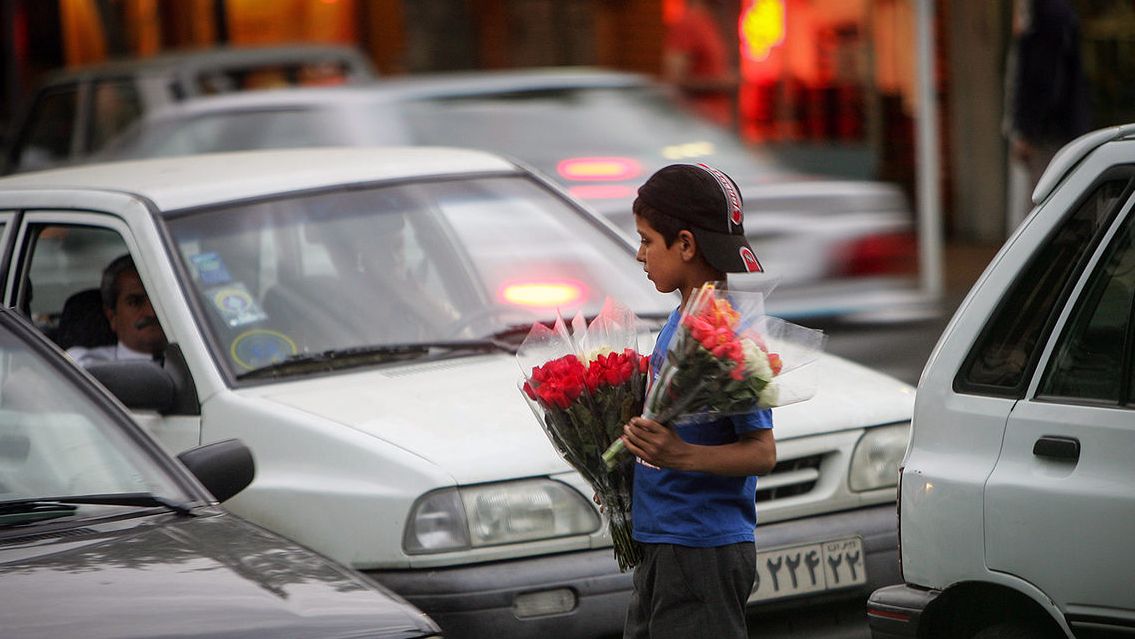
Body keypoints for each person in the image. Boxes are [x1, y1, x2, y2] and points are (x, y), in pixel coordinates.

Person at [617, 163, 775, 639]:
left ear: (685, 244)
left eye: (647, 240)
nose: (640, 254)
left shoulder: (727, 335)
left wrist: (680, 454)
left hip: (700, 547)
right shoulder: (682, 320)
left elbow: (761, 451)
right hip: (665, 539)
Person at [1004, 0, 1090, 226]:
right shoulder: (1058, 15)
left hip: (1048, 133)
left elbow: (1042, 80)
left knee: (1041, 203)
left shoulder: (1045, 17)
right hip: (1056, 128)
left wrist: (1027, 130)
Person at [66, 254, 168, 366]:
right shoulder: (86, 368)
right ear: (112, 317)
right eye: (134, 302)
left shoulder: (190, 362)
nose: (152, 312)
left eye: (159, 301)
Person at [663, 0, 739, 127]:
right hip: (698, 125)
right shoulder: (687, 24)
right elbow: (674, 81)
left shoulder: (710, 22)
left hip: (718, 125)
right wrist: (721, 83)